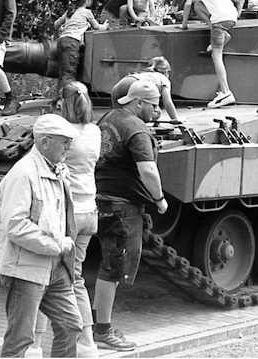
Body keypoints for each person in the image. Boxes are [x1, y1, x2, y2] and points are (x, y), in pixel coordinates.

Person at [0, 113, 82, 358]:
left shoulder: (57, 170)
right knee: (21, 337)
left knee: (71, 325)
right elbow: (16, 226)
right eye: (64, 142)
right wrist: (56, 245)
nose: (69, 147)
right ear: (44, 142)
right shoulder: (23, 174)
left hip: (54, 265)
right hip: (25, 268)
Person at [91, 79, 166, 352]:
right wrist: (159, 199)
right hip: (122, 208)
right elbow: (148, 170)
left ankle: (94, 325)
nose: (156, 111)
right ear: (138, 102)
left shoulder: (109, 117)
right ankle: (102, 331)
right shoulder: (136, 127)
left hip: (102, 200)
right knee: (113, 267)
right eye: (153, 105)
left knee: (109, 263)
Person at [32, 83, 102, 357]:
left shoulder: (63, 134)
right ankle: (87, 343)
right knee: (76, 278)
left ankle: (35, 345)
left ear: (63, 103)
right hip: (89, 211)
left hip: (66, 212)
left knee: (45, 276)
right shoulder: (95, 132)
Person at [180, 0, 244, 108]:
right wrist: (237, 16)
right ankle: (225, 35)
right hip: (231, 18)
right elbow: (240, 0)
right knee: (198, 5)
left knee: (216, 56)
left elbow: (188, 3)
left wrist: (184, 25)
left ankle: (226, 92)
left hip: (219, 21)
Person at [54, 0, 108, 94]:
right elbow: (97, 27)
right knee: (70, 73)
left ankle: (59, 96)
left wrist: (63, 27)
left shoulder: (69, 12)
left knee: (63, 72)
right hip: (72, 42)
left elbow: (56, 24)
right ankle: (67, 98)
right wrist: (105, 26)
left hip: (61, 41)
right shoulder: (87, 12)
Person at [110, 57, 182, 123]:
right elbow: (168, 103)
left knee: (118, 116)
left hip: (117, 87)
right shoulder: (164, 79)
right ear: (166, 72)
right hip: (134, 85)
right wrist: (175, 119)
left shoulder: (145, 74)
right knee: (156, 112)